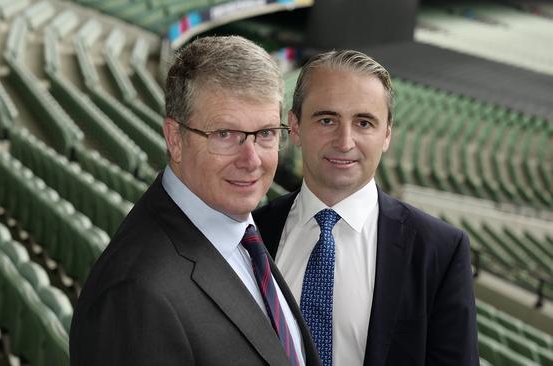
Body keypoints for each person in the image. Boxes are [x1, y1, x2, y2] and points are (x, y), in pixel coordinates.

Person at [69, 36, 320, 366]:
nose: (252, 160)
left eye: (266, 134)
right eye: (225, 135)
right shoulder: (136, 295)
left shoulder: (243, 234)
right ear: (175, 139)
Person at [254, 50, 479, 366]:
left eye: (363, 122)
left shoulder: (439, 251)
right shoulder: (252, 234)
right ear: (294, 126)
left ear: (386, 134)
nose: (344, 141)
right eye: (327, 119)